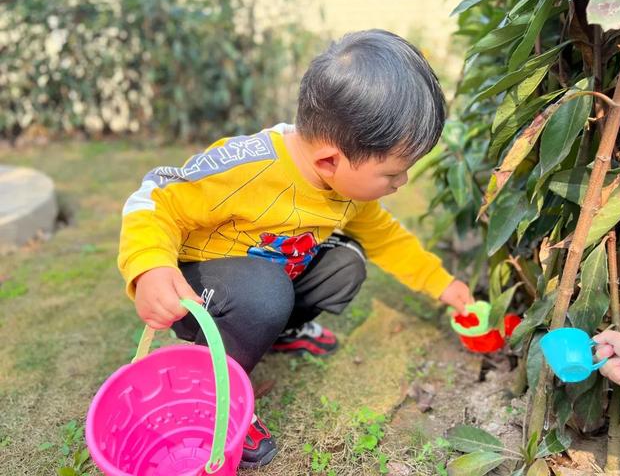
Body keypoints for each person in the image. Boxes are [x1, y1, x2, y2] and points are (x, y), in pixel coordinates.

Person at [117, 29, 473, 468]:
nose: (401, 184)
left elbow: (386, 237)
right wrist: (150, 267)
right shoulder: (247, 167)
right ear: (329, 161)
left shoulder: (343, 187)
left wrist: (442, 284)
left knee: (346, 263)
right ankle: (212, 396)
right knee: (266, 291)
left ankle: (277, 333)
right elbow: (155, 197)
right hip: (201, 293)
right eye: (393, 173)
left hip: (265, 285)